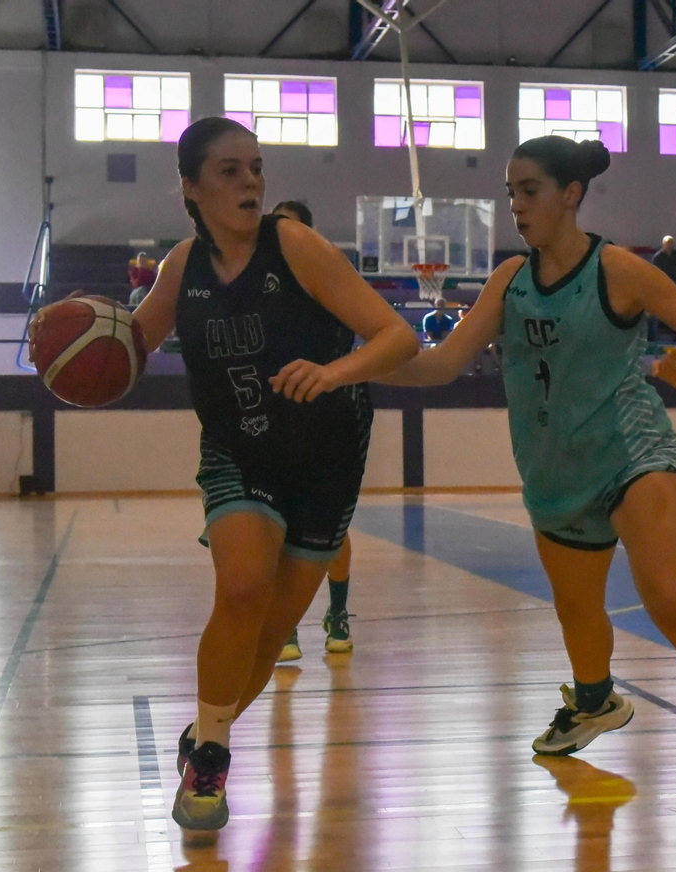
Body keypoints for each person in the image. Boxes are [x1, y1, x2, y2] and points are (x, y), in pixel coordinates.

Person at [377, 135, 676, 820]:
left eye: (529, 191)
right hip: (556, 474)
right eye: (511, 193)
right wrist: (353, 371)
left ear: (570, 195)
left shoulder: (617, 269)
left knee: (669, 598)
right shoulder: (509, 280)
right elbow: (441, 364)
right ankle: (594, 703)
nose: (517, 205)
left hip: (634, 454)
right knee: (577, 611)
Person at [36, 117, 419, 831]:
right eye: (231, 171)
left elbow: (397, 336)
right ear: (192, 188)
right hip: (238, 452)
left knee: (270, 633)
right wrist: (71, 346)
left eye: (257, 167)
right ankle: (212, 759)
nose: (251, 182)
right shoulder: (182, 268)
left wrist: (334, 371)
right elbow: (127, 348)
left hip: (328, 459)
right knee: (242, 588)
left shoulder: (294, 245)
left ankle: (202, 736)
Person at [268, 198, 361, 662]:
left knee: (332, 529)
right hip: (274, 420)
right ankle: (285, 623)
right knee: (276, 526)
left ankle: (338, 613)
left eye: (291, 228)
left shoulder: (329, 282)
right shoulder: (260, 287)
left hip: (327, 418)